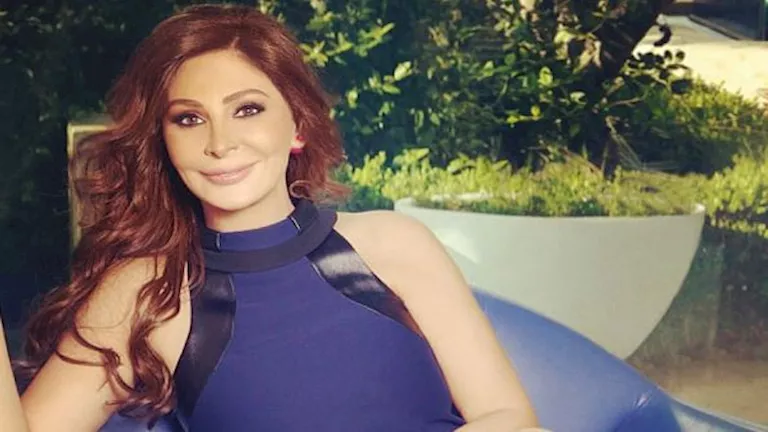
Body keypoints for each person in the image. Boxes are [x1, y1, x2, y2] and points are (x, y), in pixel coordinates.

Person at [0, 4, 540, 431]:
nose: (220, 143)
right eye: (189, 119)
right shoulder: (145, 290)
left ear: (298, 125)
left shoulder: (394, 243)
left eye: (247, 109)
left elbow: (509, 417)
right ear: (163, 142)